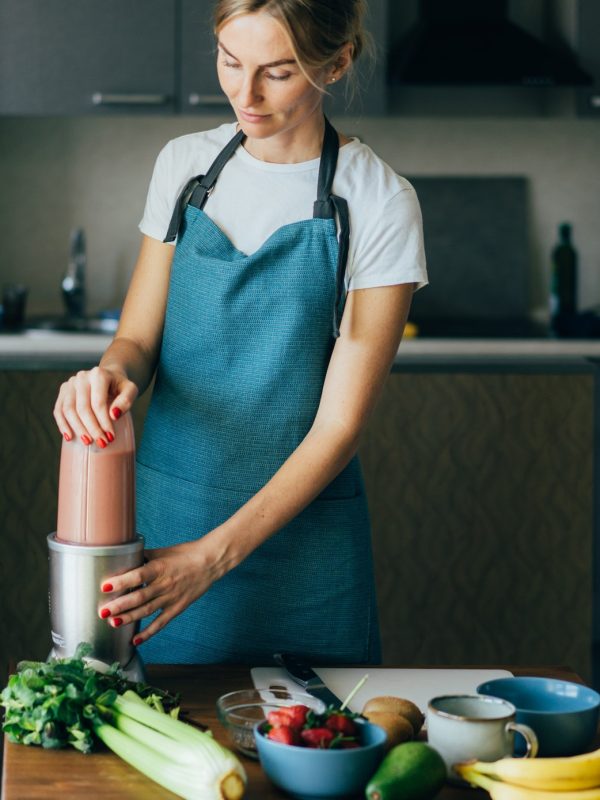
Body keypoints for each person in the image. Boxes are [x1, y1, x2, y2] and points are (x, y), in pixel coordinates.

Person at [53, 0, 427, 665]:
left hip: (302, 553)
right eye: (230, 62)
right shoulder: (184, 167)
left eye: (277, 73)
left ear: (336, 63)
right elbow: (137, 342)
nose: (245, 95)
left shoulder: (379, 201)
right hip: (169, 529)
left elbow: (339, 427)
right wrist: (108, 377)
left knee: (314, 724)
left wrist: (211, 558)